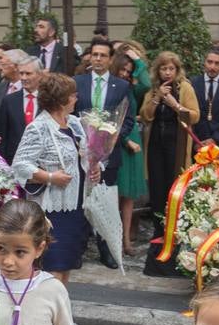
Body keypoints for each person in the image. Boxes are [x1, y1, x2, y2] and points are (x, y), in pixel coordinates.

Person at [11, 73, 95, 283]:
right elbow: (20, 166)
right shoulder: (38, 128)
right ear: (62, 99)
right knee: (53, 269)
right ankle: (45, 314)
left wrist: (95, 167)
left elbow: (85, 156)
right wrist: (50, 177)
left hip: (76, 206)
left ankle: (58, 313)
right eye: (73, 95)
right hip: (53, 211)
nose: (76, 98)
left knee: (66, 267)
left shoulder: (74, 123)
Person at [75, 38, 135, 269]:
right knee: (81, 200)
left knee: (105, 201)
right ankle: (79, 247)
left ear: (110, 59)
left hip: (109, 155)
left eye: (103, 55)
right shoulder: (78, 82)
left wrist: (112, 137)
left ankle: (106, 248)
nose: (98, 59)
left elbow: (128, 119)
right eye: (95, 55)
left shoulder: (121, 86)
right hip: (82, 153)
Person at [141, 51, 199, 276]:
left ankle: (175, 244)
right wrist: (157, 99)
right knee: (157, 193)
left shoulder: (185, 88)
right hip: (156, 146)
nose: (167, 73)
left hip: (176, 147)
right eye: (163, 69)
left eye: (171, 69)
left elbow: (194, 116)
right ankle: (159, 239)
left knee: (175, 193)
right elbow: (145, 115)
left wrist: (175, 105)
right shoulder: (153, 90)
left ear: (177, 70)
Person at [111, 54, 147, 256]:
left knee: (129, 197)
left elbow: (147, 83)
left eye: (128, 70)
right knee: (114, 196)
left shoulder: (132, 88)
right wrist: (125, 141)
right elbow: (110, 118)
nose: (125, 74)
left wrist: (139, 61)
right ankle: (113, 239)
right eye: (122, 69)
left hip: (133, 140)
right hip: (117, 140)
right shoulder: (112, 89)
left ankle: (126, 240)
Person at [0, 56, 41, 164]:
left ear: (40, 75)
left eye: (28, 73)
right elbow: (2, 136)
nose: (24, 78)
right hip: (15, 164)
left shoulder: (49, 99)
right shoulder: (9, 101)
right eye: (21, 73)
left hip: (42, 164)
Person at [192, 47, 219, 159]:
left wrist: (215, 139)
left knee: (218, 176)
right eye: (209, 62)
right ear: (204, 62)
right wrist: (195, 139)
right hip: (197, 141)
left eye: (217, 63)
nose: (212, 67)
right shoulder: (193, 83)